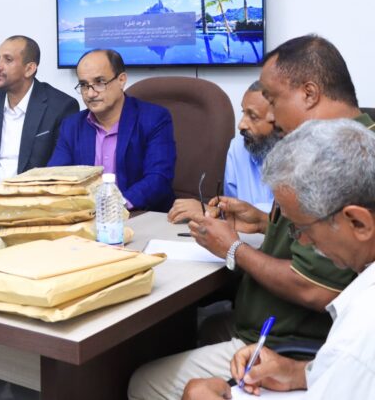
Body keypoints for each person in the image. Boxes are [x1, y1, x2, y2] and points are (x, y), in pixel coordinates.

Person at [129, 35, 369, 399]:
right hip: (287, 351)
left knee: (142, 383)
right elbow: (319, 237)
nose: (271, 116)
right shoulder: (342, 145)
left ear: (309, 93)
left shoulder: (341, 160)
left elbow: (315, 287)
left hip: (291, 343)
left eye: (272, 100)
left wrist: (233, 249)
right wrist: (260, 220)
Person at [182, 119, 375, 399]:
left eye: (302, 228)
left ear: (358, 223)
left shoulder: (361, 333)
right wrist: (295, 372)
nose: (301, 241)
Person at [48, 49, 176, 212]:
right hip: (87, 216)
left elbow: (158, 178)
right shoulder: (72, 126)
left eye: (100, 82)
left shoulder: (153, 118)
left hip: (140, 213)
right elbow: (56, 179)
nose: (90, 93)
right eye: (84, 85)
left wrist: (113, 207)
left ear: (121, 80)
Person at [0, 35, 79, 190]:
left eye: (8, 60)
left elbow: (59, 172)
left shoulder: (60, 107)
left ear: (29, 69)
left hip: (34, 198)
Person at [168, 81, 278, 223]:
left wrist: (220, 211)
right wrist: (216, 211)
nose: (241, 125)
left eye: (253, 116)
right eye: (243, 113)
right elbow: (232, 211)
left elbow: (290, 220)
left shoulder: (302, 155)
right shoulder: (238, 147)